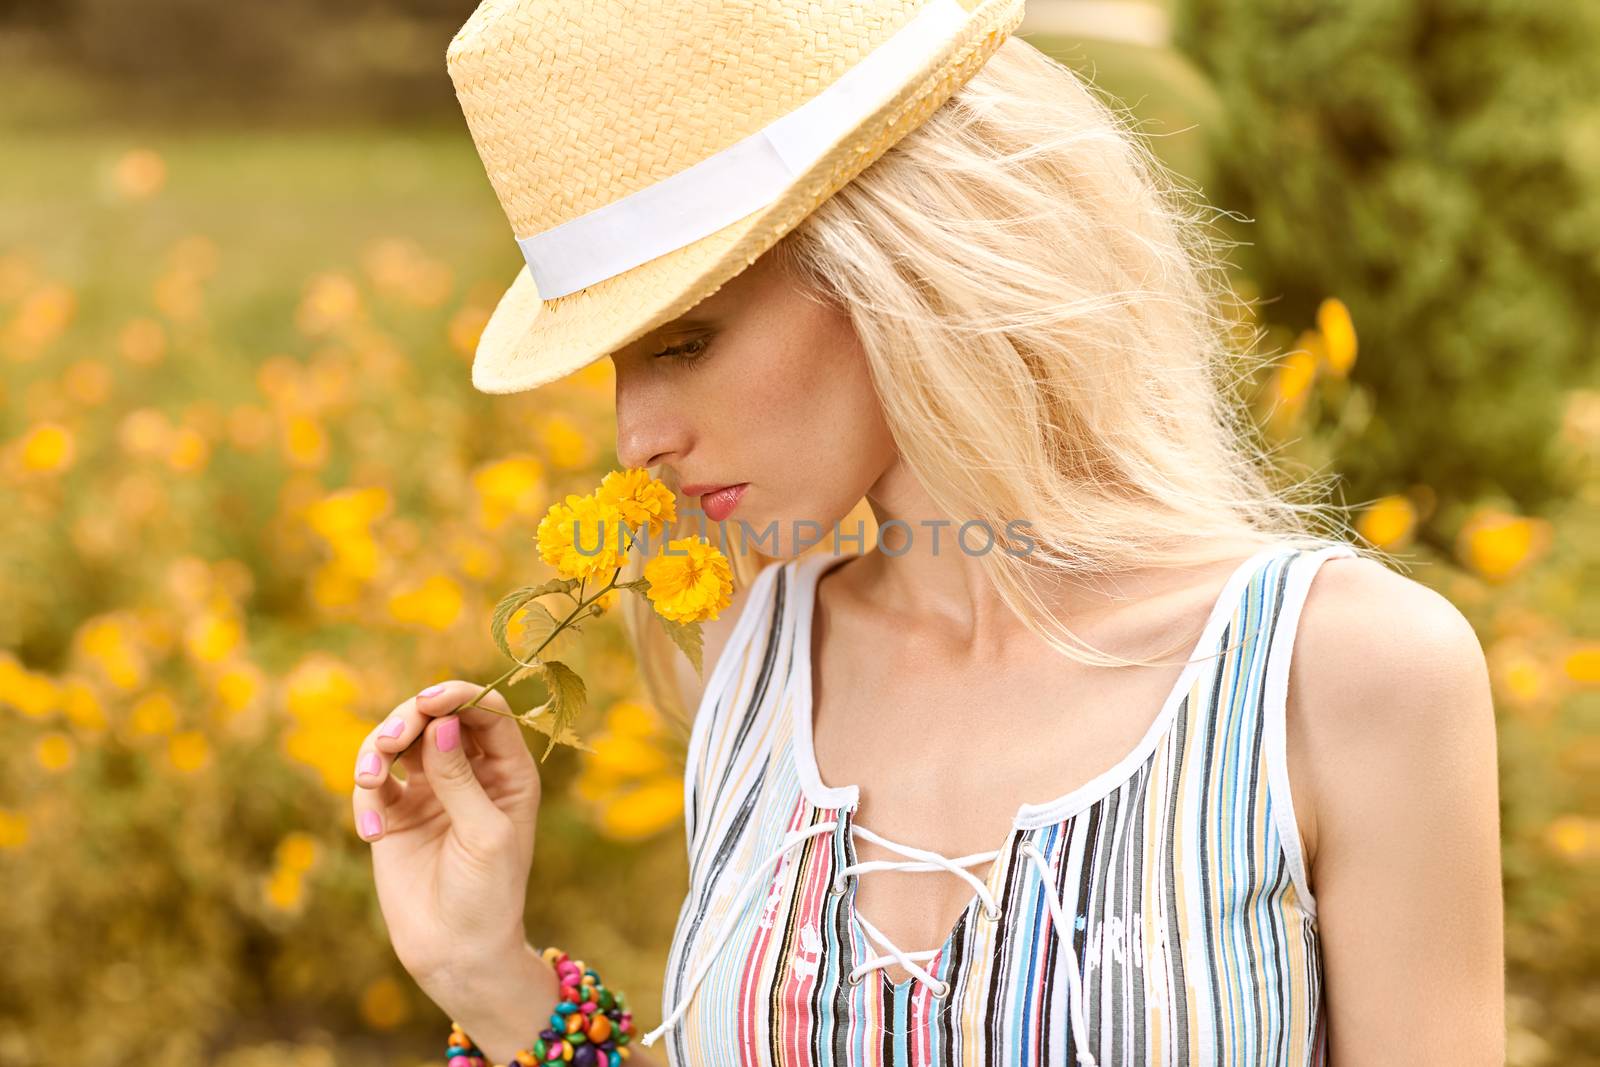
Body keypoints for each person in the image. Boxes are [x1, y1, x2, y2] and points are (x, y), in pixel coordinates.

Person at [351, 2, 1505, 1063]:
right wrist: (482, 971)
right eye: (616, 364)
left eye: (686, 340)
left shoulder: (1342, 672)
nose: (635, 438)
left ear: (895, 263)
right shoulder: (756, 659)